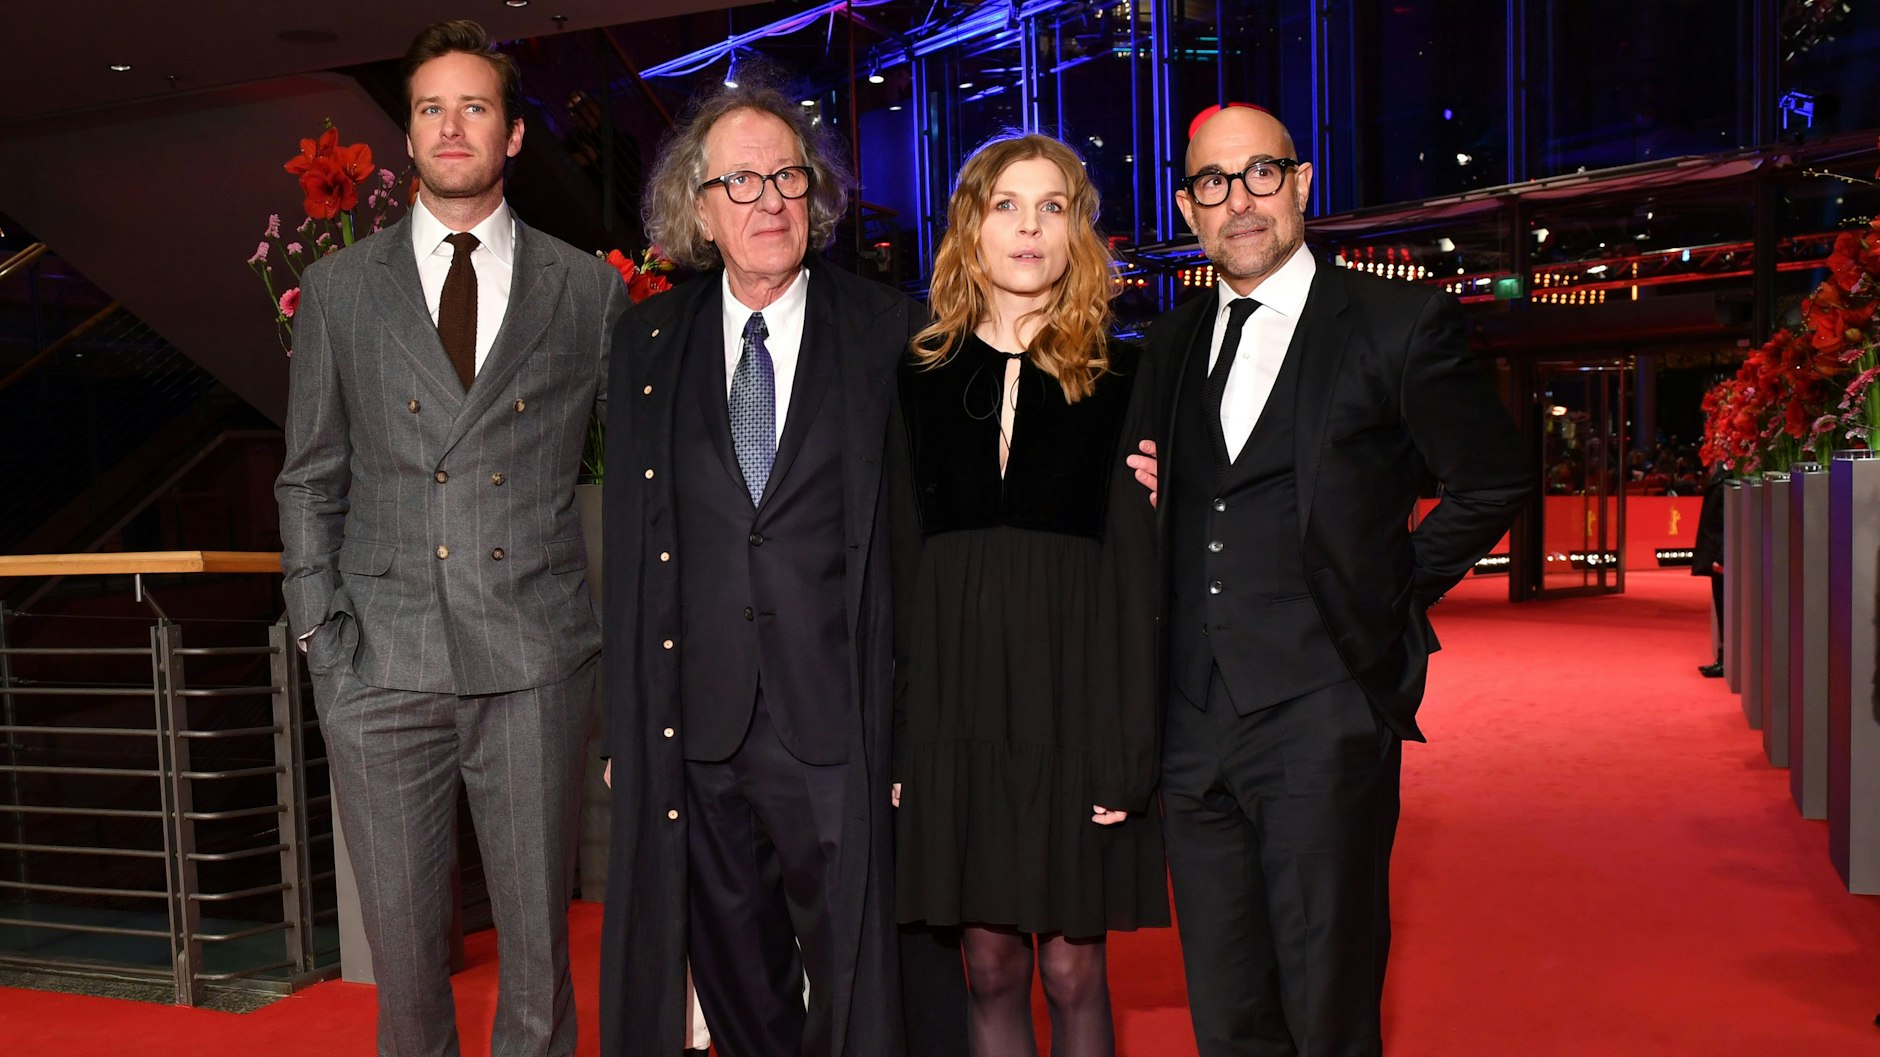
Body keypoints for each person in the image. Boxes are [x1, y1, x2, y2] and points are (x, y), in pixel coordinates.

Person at [1126, 103, 1532, 1056]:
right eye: (1214, 184)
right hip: (1191, 724)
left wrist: (1391, 588)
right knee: (1226, 1007)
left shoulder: (1395, 322)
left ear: (1302, 183)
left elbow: (1493, 478)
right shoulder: (1172, 342)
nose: (1240, 202)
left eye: (1260, 174)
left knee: (1327, 999)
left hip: (1322, 711)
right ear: (1189, 208)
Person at [275, 20, 625, 1057]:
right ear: (409, 135)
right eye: (431, 107)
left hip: (534, 657)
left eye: (474, 105)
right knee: (407, 967)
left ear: (513, 134)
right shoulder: (341, 290)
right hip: (380, 664)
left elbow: (644, 472)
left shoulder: (585, 288)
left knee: (536, 954)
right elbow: (309, 478)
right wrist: (322, 648)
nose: (451, 125)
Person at [595, 75, 965, 1057]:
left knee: (859, 972)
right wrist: (626, 723)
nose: (769, 201)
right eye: (742, 182)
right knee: (732, 970)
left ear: (817, 197)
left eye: (788, 178)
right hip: (699, 721)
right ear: (698, 210)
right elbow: (629, 550)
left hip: (840, 720)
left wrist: (916, 733)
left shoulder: (894, 334)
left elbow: (935, 548)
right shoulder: (646, 343)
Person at [887, 134, 1168, 1057]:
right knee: (992, 964)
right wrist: (894, 737)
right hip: (953, 703)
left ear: (1078, 232)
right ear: (971, 227)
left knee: (1073, 968)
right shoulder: (918, 373)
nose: (1029, 227)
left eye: (1053, 206)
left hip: (1074, 696)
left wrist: (1129, 745)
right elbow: (892, 562)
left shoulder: (1129, 375)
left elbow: (1139, 575)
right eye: (1008, 204)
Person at [1692, 461, 1727, 677]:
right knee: (1721, 606)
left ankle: (1726, 659)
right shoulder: (1721, 472)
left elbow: (1729, 521)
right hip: (1716, 552)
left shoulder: (1730, 474)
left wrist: (1722, 556)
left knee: (1725, 607)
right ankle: (1723, 657)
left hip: (1720, 554)